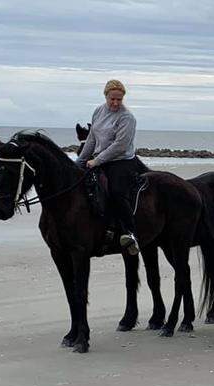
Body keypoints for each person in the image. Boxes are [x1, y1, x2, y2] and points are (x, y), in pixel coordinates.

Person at [75, 79, 142, 255]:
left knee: (116, 192)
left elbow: (120, 145)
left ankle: (130, 232)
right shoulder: (98, 111)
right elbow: (91, 139)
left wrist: (97, 161)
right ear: (106, 96)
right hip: (100, 159)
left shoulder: (127, 117)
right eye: (112, 99)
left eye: (119, 99)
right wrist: (79, 162)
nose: (115, 103)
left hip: (122, 161)